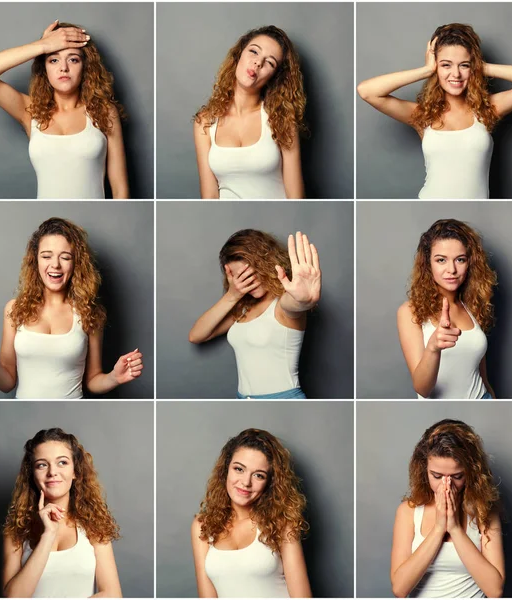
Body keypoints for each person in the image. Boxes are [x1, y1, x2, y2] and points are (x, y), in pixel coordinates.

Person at [357, 23, 512, 199]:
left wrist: (482, 66)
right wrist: (425, 70)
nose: (456, 74)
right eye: (446, 65)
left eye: (464, 65)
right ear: (436, 68)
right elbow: (366, 91)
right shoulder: (422, 116)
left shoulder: (488, 109)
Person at [0, 217, 143, 398]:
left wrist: (114, 377)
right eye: (46, 256)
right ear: (35, 260)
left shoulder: (91, 313)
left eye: (65, 257)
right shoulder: (14, 309)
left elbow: (92, 380)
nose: (55, 265)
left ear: (76, 263)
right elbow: (7, 383)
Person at [0, 20, 128, 199]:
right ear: (45, 68)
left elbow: (120, 189)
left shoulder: (104, 111)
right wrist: (42, 45)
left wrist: (49, 48)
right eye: (53, 60)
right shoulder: (30, 111)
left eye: (73, 59)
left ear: (86, 67)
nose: (64, 68)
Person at [188, 230, 321, 398]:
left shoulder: (282, 304)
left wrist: (304, 300)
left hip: (283, 398)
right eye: (241, 278)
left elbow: (294, 305)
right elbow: (196, 336)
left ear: (267, 264)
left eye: (251, 274)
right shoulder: (244, 309)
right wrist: (232, 295)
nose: (249, 282)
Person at [191, 428, 312, 598]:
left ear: (269, 482)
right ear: (226, 469)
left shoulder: (282, 522)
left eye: (259, 475)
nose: (246, 482)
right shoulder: (203, 525)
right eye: (239, 469)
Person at [391, 419, 505, 597]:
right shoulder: (408, 512)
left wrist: (454, 528)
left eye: (457, 476)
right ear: (424, 470)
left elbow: (495, 591)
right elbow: (399, 589)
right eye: (437, 476)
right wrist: (439, 528)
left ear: (470, 473)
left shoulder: (485, 511)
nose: (446, 484)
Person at [2, 428, 122, 598]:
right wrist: (48, 535)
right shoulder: (17, 530)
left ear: (75, 471)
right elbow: (12, 598)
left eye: (62, 462)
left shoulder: (94, 524)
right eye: (42, 465)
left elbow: (112, 594)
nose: (52, 472)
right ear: (32, 474)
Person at [193, 26, 307, 199]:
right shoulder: (205, 122)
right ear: (239, 54)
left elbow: (296, 197)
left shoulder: (282, 120)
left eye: (269, 62)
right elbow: (209, 196)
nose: (258, 63)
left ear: (274, 76)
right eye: (254, 51)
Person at [397, 219, 496, 399]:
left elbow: (483, 376)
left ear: (470, 263)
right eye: (441, 260)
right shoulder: (410, 311)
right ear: (428, 264)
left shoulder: (473, 305)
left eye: (460, 260)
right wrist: (433, 348)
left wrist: (494, 401)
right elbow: (422, 388)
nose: (452, 269)